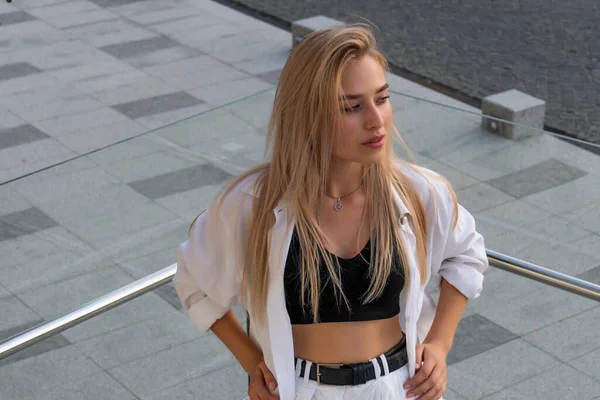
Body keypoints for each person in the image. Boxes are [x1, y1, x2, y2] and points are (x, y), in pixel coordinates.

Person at [173, 24, 488, 400]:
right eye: (352, 107)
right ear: (308, 115)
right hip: (302, 390)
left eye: (382, 98)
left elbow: (466, 253)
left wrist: (439, 343)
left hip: (398, 387)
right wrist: (250, 360)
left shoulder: (417, 191)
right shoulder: (251, 204)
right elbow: (193, 283)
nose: (376, 120)